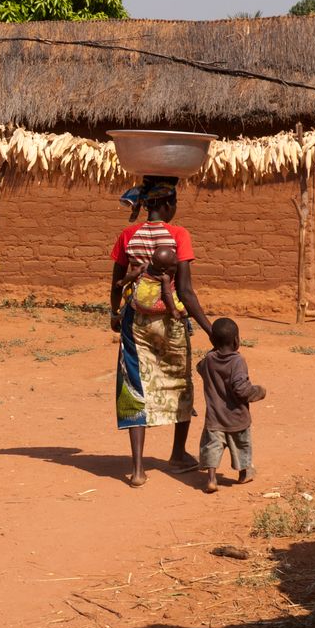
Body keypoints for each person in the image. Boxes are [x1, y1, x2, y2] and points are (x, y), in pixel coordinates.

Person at [109, 176, 212, 487]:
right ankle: (178, 454)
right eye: (175, 203)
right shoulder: (178, 235)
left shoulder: (128, 235)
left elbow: (116, 279)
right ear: (167, 204)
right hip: (171, 320)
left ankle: (138, 469)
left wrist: (114, 312)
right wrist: (210, 328)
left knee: (133, 384)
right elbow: (185, 290)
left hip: (134, 321)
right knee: (178, 381)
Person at [197, 318, 265, 493]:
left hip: (214, 417)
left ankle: (211, 478)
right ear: (236, 340)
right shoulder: (237, 361)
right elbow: (241, 389)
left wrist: (214, 350)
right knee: (242, 445)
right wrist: (259, 391)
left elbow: (199, 367)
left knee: (212, 446)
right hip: (237, 417)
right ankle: (244, 473)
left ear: (213, 341)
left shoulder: (209, 360)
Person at [123, 245, 186, 319]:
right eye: (174, 266)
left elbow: (132, 274)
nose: (177, 267)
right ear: (163, 269)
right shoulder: (165, 277)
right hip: (154, 308)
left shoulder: (145, 266)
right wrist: (173, 310)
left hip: (137, 305)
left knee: (130, 288)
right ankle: (184, 312)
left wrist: (122, 282)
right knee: (174, 298)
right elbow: (167, 294)